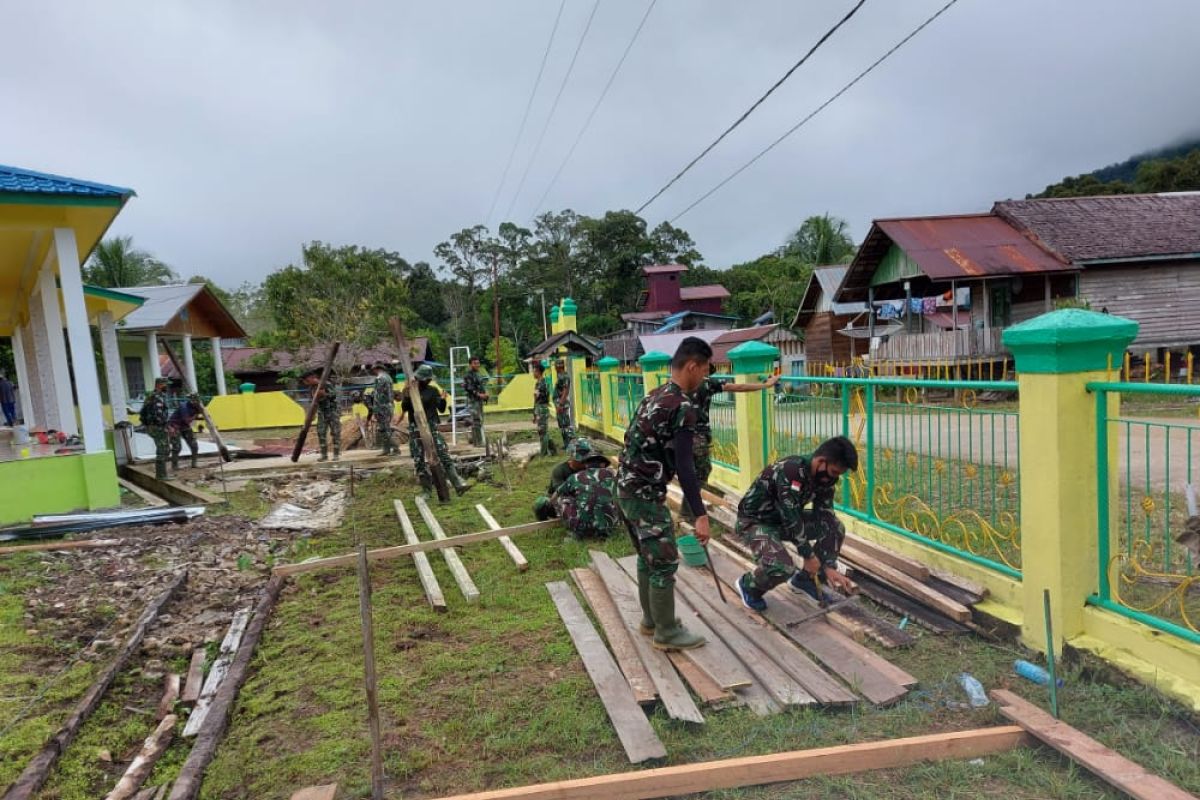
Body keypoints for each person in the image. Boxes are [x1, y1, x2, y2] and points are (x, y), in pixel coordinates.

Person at [616, 336, 713, 651]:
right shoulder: (683, 406)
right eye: (705, 370)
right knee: (665, 562)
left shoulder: (655, 395)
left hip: (625, 488)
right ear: (692, 366)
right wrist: (700, 514)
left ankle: (651, 621)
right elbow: (685, 467)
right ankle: (667, 632)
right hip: (644, 495)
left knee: (648, 557)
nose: (705, 378)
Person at [735, 436, 859, 612]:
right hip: (755, 522)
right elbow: (790, 517)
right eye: (833, 472)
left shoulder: (825, 480)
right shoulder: (790, 470)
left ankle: (804, 580)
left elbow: (826, 516)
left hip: (783, 522)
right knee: (782, 567)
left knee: (835, 528)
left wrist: (829, 565)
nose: (834, 478)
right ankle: (749, 586)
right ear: (821, 461)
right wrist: (809, 555)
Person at [682, 365, 779, 520]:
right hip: (698, 436)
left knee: (689, 472)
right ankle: (687, 512)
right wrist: (766, 385)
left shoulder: (680, 383)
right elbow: (739, 386)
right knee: (702, 472)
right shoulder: (707, 383)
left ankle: (687, 510)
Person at [400, 364, 469, 495]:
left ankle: (458, 484)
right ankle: (426, 491)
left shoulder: (432, 390)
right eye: (426, 379)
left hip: (431, 426)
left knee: (443, 455)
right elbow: (405, 407)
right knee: (418, 460)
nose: (429, 381)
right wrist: (408, 396)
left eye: (429, 379)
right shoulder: (410, 391)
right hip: (416, 428)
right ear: (420, 378)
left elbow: (441, 409)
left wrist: (442, 399)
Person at [533, 437, 610, 520]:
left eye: (586, 459)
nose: (583, 462)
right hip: (563, 500)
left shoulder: (588, 467)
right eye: (580, 460)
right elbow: (560, 493)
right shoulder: (559, 470)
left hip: (583, 500)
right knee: (541, 502)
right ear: (572, 457)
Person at [555, 444, 618, 540]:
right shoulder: (612, 475)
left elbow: (557, 493)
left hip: (583, 528)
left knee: (562, 499)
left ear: (586, 464)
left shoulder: (576, 476)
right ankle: (604, 528)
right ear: (603, 464)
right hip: (608, 526)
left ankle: (577, 531)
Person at [303, 370, 341, 461]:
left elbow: (334, 395)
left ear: (311, 378)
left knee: (335, 432)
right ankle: (324, 455)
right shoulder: (311, 388)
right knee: (321, 433)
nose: (305, 383)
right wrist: (312, 414)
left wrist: (325, 394)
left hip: (332, 412)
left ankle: (336, 455)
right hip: (322, 413)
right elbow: (312, 402)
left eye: (305, 380)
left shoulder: (326, 384)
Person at [140, 376, 172, 480]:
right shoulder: (157, 397)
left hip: (153, 426)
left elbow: (142, 412)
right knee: (162, 450)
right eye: (165, 385)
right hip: (158, 427)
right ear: (159, 385)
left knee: (165, 449)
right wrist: (165, 426)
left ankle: (162, 474)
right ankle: (161, 475)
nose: (167, 387)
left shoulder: (151, 396)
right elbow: (158, 415)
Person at [167, 391, 204, 471]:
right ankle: (174, 466)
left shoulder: (197, 406)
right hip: (174, 426)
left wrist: (201, 415)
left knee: (194, 445)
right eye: (194, 400)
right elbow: (187, 420)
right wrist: (196, 415)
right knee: (177, 447)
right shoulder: (184, 407)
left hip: (184, 426)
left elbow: (199, 416)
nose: (196, 402)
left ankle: (194, 464)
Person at [462, 356, 489, 447]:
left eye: (478, 363)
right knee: (476, 421)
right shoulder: (468, 375)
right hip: (473, 401)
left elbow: (481, 386)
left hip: (479, 401)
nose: (477, 365)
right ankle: (478, 443)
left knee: (480, 420)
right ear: (470, 364)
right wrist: (479, 394)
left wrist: (485, 394)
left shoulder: (478, 374)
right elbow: (469, 388)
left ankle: (477, 440)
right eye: (475, 363)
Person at [371, 363, 396, 455]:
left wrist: (375, 409)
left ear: (377, 369)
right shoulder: (388, 377)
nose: (373, 371)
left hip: (382, 407)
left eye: (373, 369)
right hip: (388, 406)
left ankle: (396, 448)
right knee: (383, 429)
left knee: (384, 429)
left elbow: (378, 395)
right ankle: (386, 449)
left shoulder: (380, 378)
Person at [532, 360, 556, 456]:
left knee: (543, 431)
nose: (533, 373)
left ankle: (544, 453)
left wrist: (537, 411)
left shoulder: (543, 383)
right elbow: (535, 399)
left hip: (542, 408)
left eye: (534, 371)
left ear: (538, 371)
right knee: (542, 430)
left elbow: (539, 398)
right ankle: (553, 450)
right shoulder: (538, 383)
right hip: (539, 408)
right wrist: (534, 413)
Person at [553, 358, 575, 448]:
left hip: (562, 405)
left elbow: (565, 391)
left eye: (555, 366)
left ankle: (572, 443)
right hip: (559, 404)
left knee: (566, 425)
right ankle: (566, 444)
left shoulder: (565, 377)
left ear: (559, 366)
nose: (554, 368)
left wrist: (560, 404)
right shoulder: (560, 376)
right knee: (562, 425)